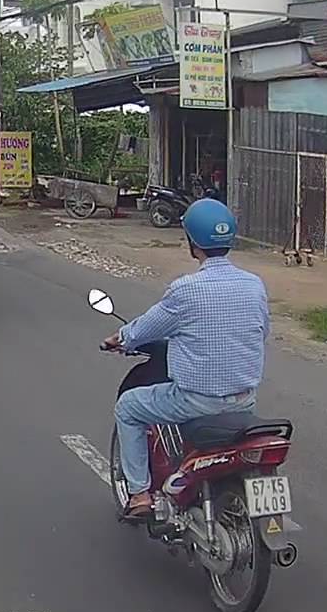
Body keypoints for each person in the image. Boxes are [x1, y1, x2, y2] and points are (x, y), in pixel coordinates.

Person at [102, 197, 269, 519]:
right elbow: (260, 332)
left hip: (196, 401)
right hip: (244, 400)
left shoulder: (186, 290)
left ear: (192, 242)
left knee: (129, 407)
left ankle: (139, 495)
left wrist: (120, 338)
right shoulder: (254, 285)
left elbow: (145, 328)